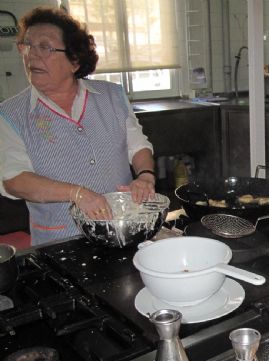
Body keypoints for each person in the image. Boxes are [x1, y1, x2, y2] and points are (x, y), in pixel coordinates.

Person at [0, 6, 155, 246]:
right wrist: (76, 193)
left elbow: (137, 145)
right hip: (59, 240)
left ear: (74, 61)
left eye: (45, 47)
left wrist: (145, 175)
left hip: (122, 231)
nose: (32, 55)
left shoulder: (111, 96)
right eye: (27, 45)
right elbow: (14, 180)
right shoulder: (10, 114)